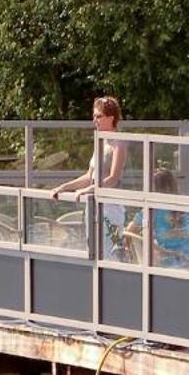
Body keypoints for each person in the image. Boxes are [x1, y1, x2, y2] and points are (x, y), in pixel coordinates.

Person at [52, 96, 133, 256]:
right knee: (93, 252)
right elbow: (89, 176)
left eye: (99, 116)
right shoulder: (100, 142)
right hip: (94, 206)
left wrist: (88, 190)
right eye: (94, 116)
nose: (94, 120)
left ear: (111, 118)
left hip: (111, 208)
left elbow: (113, 178)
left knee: (112, 253)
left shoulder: (119, 144)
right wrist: (64, 187)